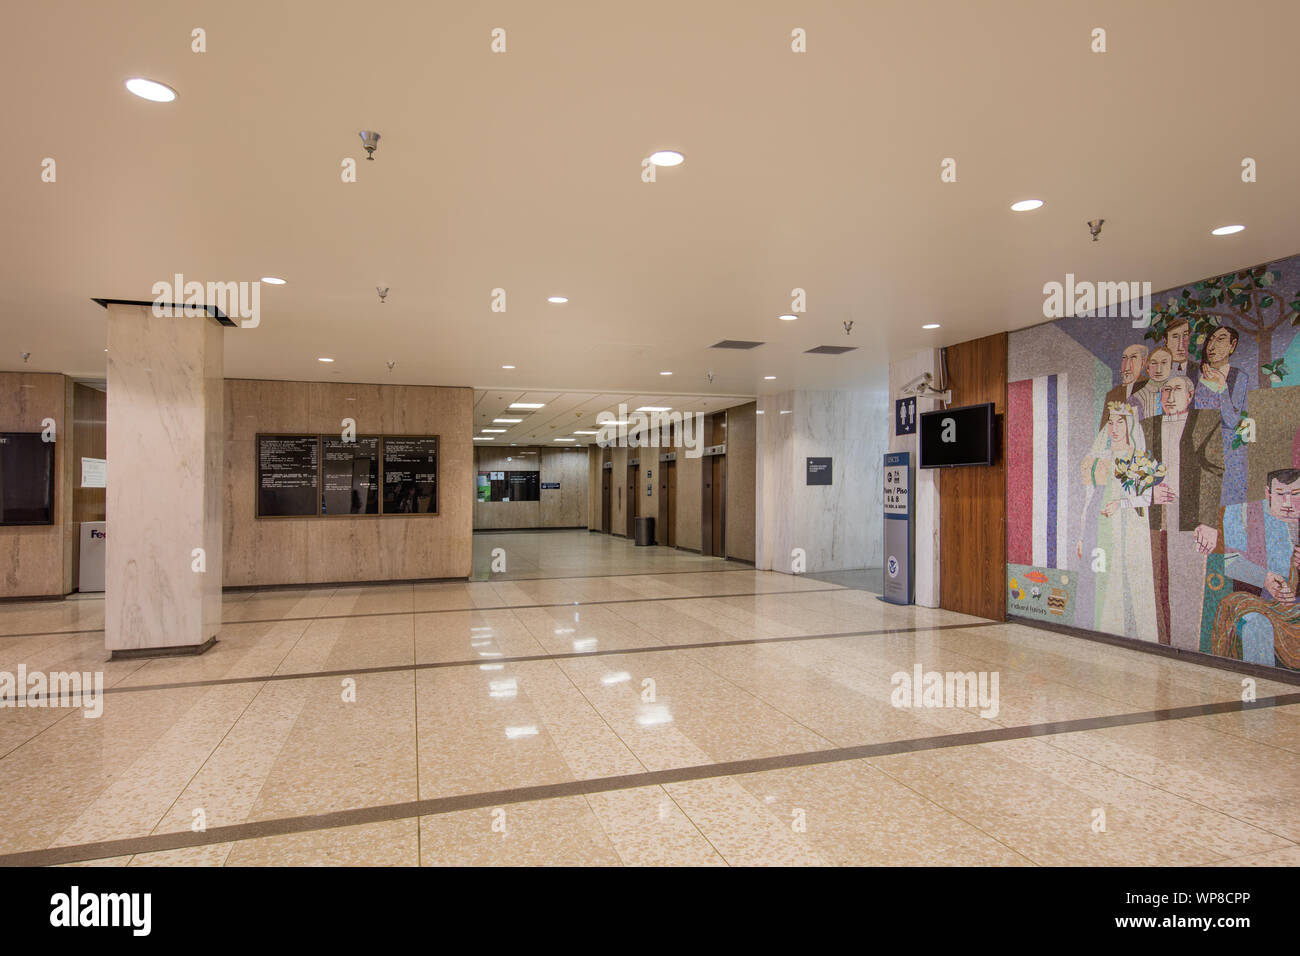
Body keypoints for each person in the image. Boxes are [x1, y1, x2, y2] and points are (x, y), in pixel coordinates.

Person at [1139, 376, 1224, 647]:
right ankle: (1159, 645)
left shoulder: (1206, 421)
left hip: (1190, 518)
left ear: (1190, 395)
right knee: (1154, 588)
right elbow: (1132, 470)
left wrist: (1209, 521)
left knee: (1186, 589)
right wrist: (1149, 492)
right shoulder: (1146, 426)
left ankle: (1187, 648)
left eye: (1177, 389)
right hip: (1153, 518)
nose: (1170, 395)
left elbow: (1214, 470)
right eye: (1165, 389)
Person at [1076, 401, 1159, 641]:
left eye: (1120, 422)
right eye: (1110, 422)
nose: (1114, 428)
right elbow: (1088, 498)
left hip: (1128, 527)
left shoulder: (1139, 458)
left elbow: (1145, 498)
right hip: (1099, 525)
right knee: (1100, 577)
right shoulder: (1097, 459)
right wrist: (1082, 535)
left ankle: (1128, 632)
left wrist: (1120, 504)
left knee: (1124, 577)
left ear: (1129, 425)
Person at [1202, 468, 1300, 668]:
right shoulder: (1244, 514)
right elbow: (1232, 563)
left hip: (1295, 604)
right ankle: (1262, 683)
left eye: (1296, 495)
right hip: (1259, 603)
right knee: (1257, 625)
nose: (1288, 504)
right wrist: (1264, 578)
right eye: (1281, 494)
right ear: (1268, 493)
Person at [1192, 324, 1249, 506]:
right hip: (1198, 451)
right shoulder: (1195, 375)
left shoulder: (1237, 377)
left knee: (1226, 508)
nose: (1212, 346)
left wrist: (1221, 386)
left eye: (1220, 340)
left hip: (1227, 454)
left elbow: (1232, 420)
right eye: (1210, 340)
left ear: (1232, 346)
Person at [1100, 343, 1149, 432]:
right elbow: (1103, 431)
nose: (1126, 366)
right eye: (1124, 358)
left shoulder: (1150, 388)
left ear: (1143, 363)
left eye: (1133, 358)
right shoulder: (1112, 394)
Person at [1129, 346, 1173, 419]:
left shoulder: (1177, 393)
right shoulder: (1137, 397)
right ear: (1148, 367)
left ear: (1171, 366)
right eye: (1154, 363)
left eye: (1164, 363)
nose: (1158, 369)